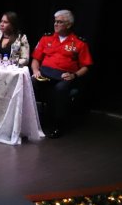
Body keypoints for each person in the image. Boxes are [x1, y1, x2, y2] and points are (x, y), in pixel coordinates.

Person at [30, 9, 92, 137]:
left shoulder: (79, 43)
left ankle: (58, 125)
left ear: (68, 25)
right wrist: (35, 71)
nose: (55, 24)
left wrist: (74, 75)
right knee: (30, 81)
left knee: (60, 88)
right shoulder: (46, 38)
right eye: (55, 21)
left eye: (60, 22)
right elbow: (36, 59)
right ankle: (28, 121)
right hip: (45, 74)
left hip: (64, 76)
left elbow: (86, 66)